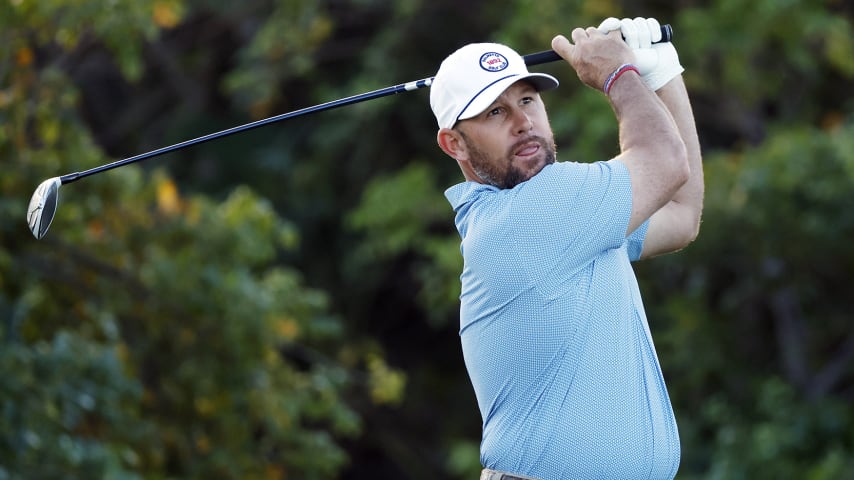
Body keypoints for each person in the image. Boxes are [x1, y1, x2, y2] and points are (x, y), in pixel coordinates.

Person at [429, 16, 703, 480]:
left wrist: (661, 73)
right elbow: (664, 162)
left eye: (527, 100)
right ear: (453, 143)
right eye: (494, 112)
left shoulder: (576, 215)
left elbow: (679, 213)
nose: (522, 122)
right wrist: (620, 74)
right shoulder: (532, 214)